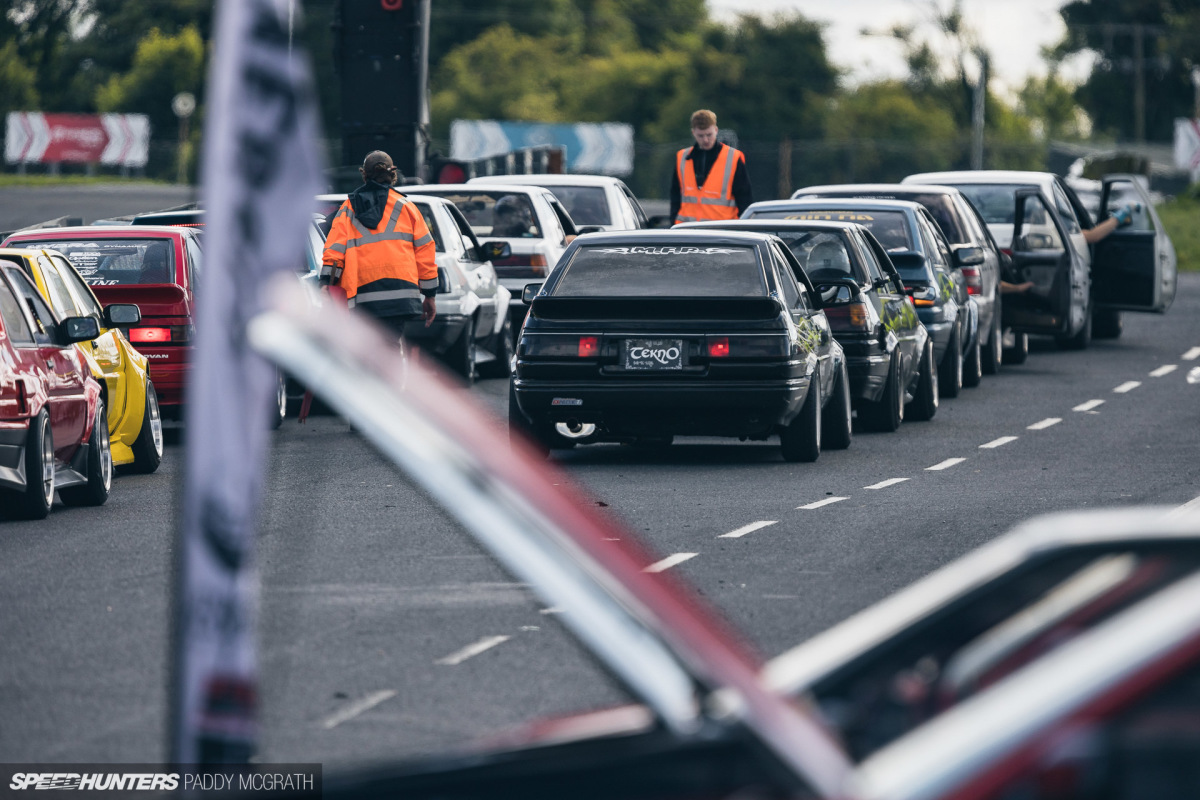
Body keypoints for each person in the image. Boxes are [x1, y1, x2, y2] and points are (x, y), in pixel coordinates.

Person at [321, 150, 438, 339]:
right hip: (401, 298)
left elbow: (334, 252)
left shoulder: (347, 209)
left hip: (363, 299)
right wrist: (430, 295)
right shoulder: (407, 207)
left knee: (367, 356)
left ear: (364, 174)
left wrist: (325, 283)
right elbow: (425, 250)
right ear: (393, 174)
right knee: (390, 351)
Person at [1001, 204, 1136, 294]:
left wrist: (1017, 288)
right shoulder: (1056, 235)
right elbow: (1094, 235)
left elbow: (995, 285)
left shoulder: (993, 235)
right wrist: (1120, 216)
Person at [670, 109, 754, 225]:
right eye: (700, 135)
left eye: (709, 135)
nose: (705, 140)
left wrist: (742, 229)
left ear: (716, 130)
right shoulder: (682, 157)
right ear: (693, 132)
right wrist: (673, 222)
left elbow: (744, 198)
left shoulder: (733, 158)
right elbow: (675, 196)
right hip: (687, 230)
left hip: (721, 231)